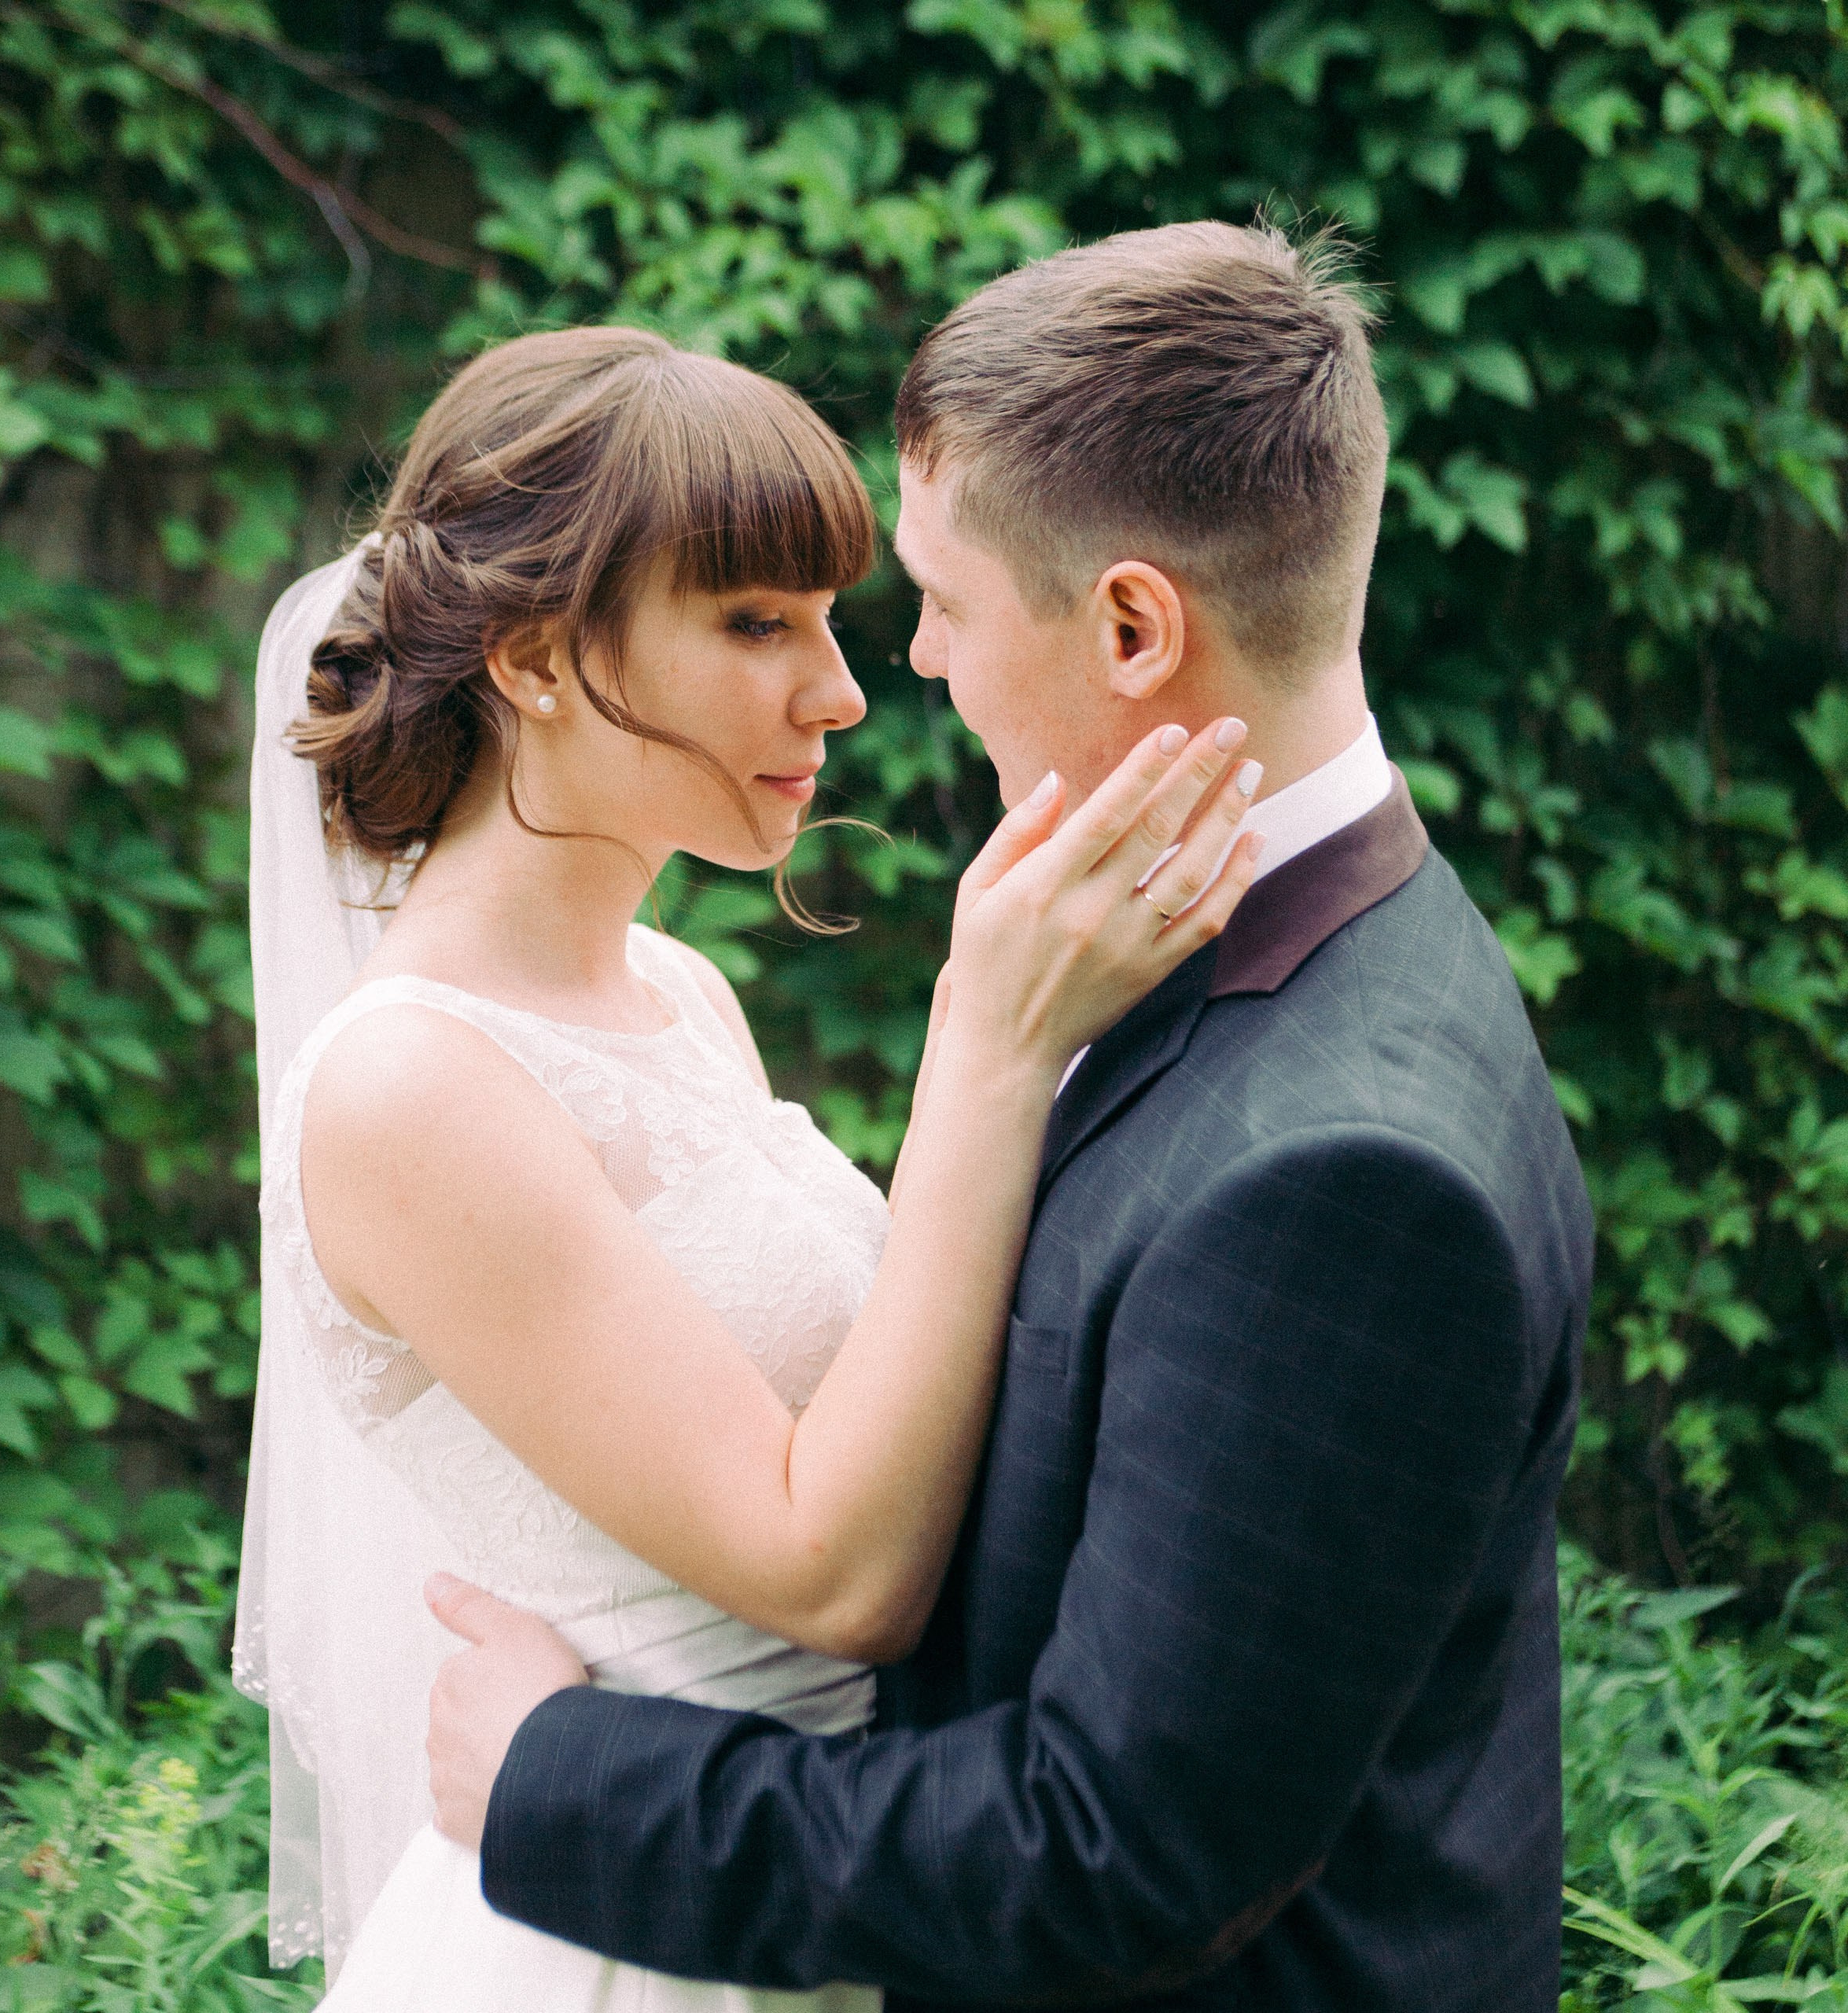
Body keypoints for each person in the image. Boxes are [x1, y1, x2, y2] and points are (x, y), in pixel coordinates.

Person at [425, 223, 1595, 2011]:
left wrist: (554, 1779)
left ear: (1132, 623)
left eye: (942, 605)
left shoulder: (1336, 1174)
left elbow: (1107, 1849)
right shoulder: (1288, 942)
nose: (911, 670)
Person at [232, 321, 1263, 2011]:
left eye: (831, 616)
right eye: (754, 620)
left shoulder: (679, 995)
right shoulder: (409, 1087)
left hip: (797, 1883)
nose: (841, 688)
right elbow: (827, 1571)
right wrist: (988, 1050)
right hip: (616, 1945)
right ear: (541, 656)